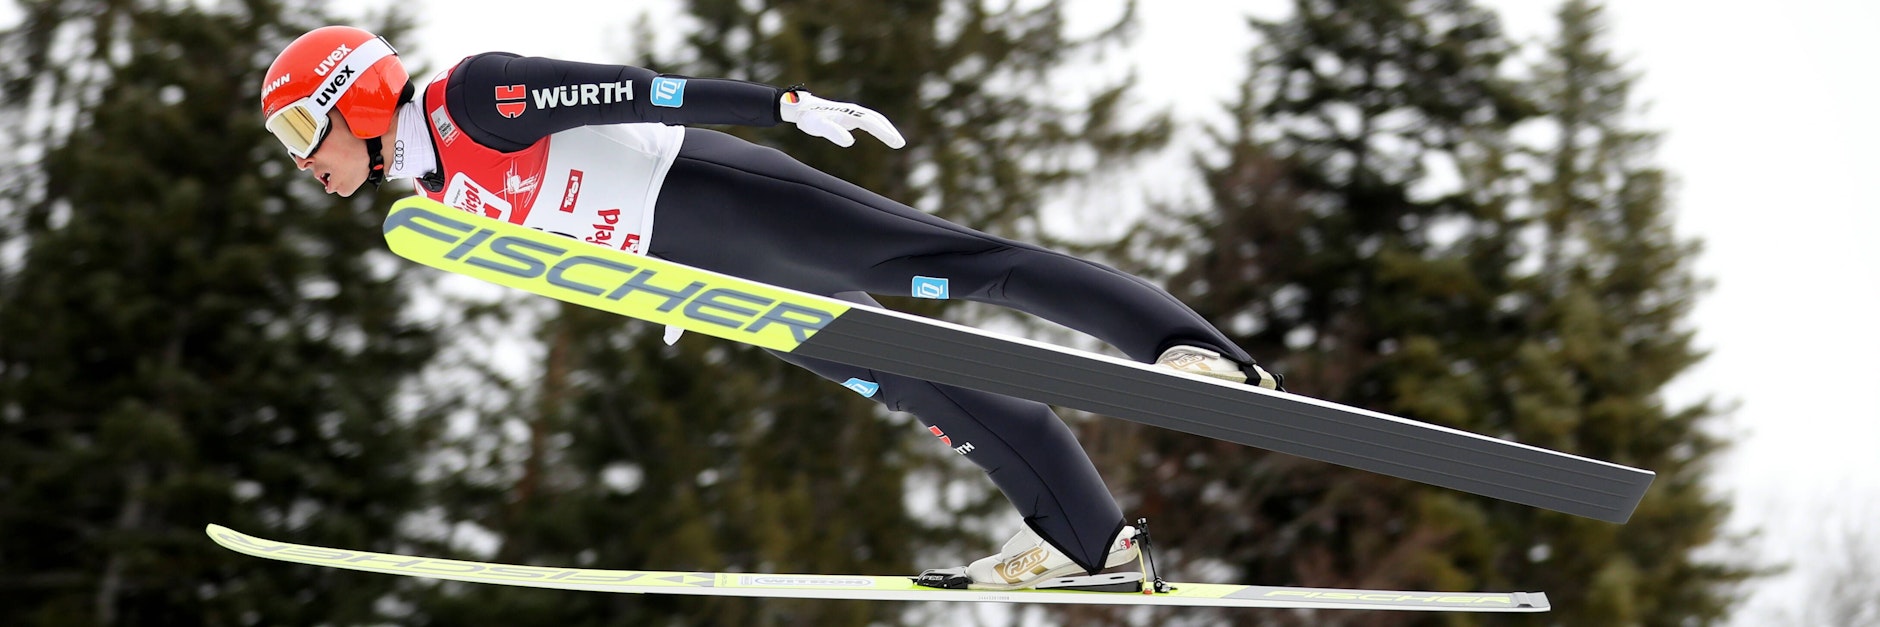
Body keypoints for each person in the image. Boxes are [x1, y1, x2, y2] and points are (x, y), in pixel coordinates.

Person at [260, 25, 1280, 590]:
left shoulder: (471, 101)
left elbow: (638, 94)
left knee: (964, 266)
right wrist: (657, 291)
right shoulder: (441, 197)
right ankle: (1081, 537)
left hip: (724, 198)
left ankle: (1189, 349)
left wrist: (780, 105)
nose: (301, 157)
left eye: (305, 124)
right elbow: (577, 232)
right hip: (713, 281)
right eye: (284, 140)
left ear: (355, 92)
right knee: (922, 382)